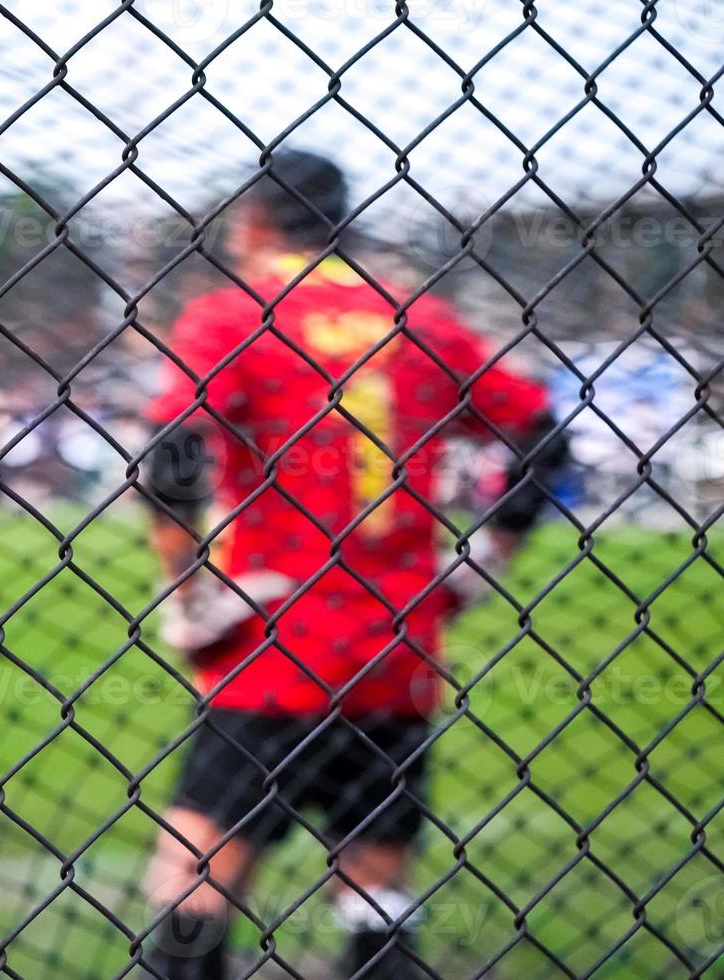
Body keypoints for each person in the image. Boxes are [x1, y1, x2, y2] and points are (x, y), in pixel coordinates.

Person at [139, 150, 568, 979]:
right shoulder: (424, 319)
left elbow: (172, 458)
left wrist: (186, 590)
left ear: (257, 221)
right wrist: (487, 558)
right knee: (376, 887)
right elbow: (542, 436)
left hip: (272, 642)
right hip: (398, 646)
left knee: (196, 876)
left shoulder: (234, 316)